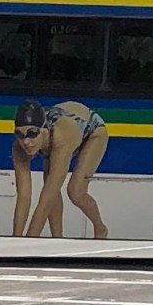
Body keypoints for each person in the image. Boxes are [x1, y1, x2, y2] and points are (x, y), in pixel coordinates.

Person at [11, 98, 112, 239]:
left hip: (92, 130)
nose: (26, 142)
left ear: (43, 130)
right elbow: (23, 197)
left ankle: (100, 228)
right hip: (57, 134)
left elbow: (45, 201)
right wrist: (15, 241)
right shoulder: (19, 147)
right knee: (49, 182)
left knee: (75, 191)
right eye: (19, 135)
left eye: (32, 133)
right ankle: (57, 238)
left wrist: (28, 242)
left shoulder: (62, 136)